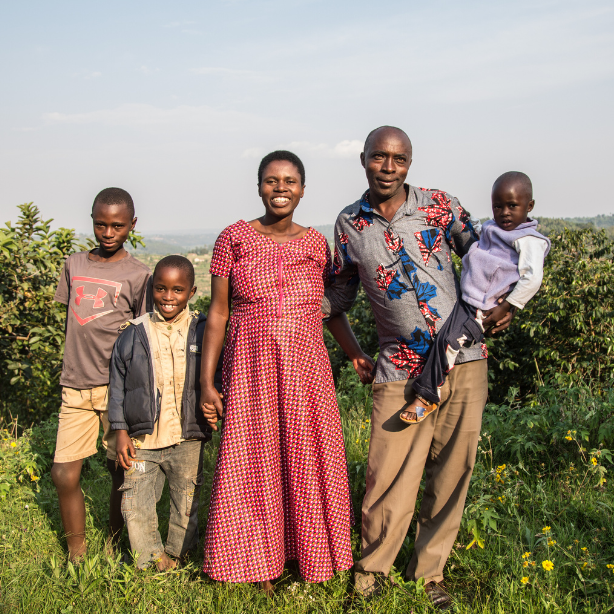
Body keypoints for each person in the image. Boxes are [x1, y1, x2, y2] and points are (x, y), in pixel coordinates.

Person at [322, 126, 513, 609]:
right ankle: (371, 572)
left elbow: (487, 257)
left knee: (452, 470)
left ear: (410, 162)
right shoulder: (349, 225)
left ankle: (429, 573)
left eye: (399, 158)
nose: (389, 167)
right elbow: (334, 300)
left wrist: (507, 304)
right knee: (388, 475)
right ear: (362, 159)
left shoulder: (439, 205)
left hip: (464, 358)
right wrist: (355, 353)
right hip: (398, 366)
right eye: (379, 157)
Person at [199, 150, 373, 593]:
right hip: (250, 367)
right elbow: (218, 313)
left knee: (305, 456)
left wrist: (353, 354)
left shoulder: (317, 244)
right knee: (255, 460)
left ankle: (309, 554)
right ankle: (259, 564)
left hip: (306, 368)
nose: (281, 188)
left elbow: (330, 310)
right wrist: (207, 381)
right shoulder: (233, 239)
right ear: (259, 187)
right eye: (272, 180)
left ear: (302, 188)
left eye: (290, 181)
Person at [50, 187, 151, 561]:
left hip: (116, 390)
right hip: (75, 386)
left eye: (117, 226)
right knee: (64, 474)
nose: (108, 233)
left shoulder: (139, 275)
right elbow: (72, 323)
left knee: (118, 472)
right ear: (92, 221)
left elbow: (142, 337)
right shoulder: (74, 264)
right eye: (100, 225)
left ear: (132, 225)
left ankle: (113, 543)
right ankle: (76, 555)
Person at [405, 171, 550, 421]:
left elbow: (532, 278)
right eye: (498, 206)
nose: (504, 212)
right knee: (442, 341)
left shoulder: (528, 240)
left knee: (449, 343)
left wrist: (508, 307)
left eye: (512, 206)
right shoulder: (495, 227)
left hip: (485, 307)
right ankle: (427, 394)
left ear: (530, 206)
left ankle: (425, 400)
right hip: (469, 299)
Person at [108, 256, 219, 570]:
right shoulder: (133, 334)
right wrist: (120, 430)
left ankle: (177, 555)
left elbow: (216, 377)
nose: (168, 297)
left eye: (177, 290)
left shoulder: (202, 331)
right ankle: (150, 559)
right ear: (152, 288)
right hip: (142, 440)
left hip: (188, 438)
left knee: (185, 501)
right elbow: (117, 386)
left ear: (191, 292)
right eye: (161, 289)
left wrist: (214, 407)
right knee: (137, 503)